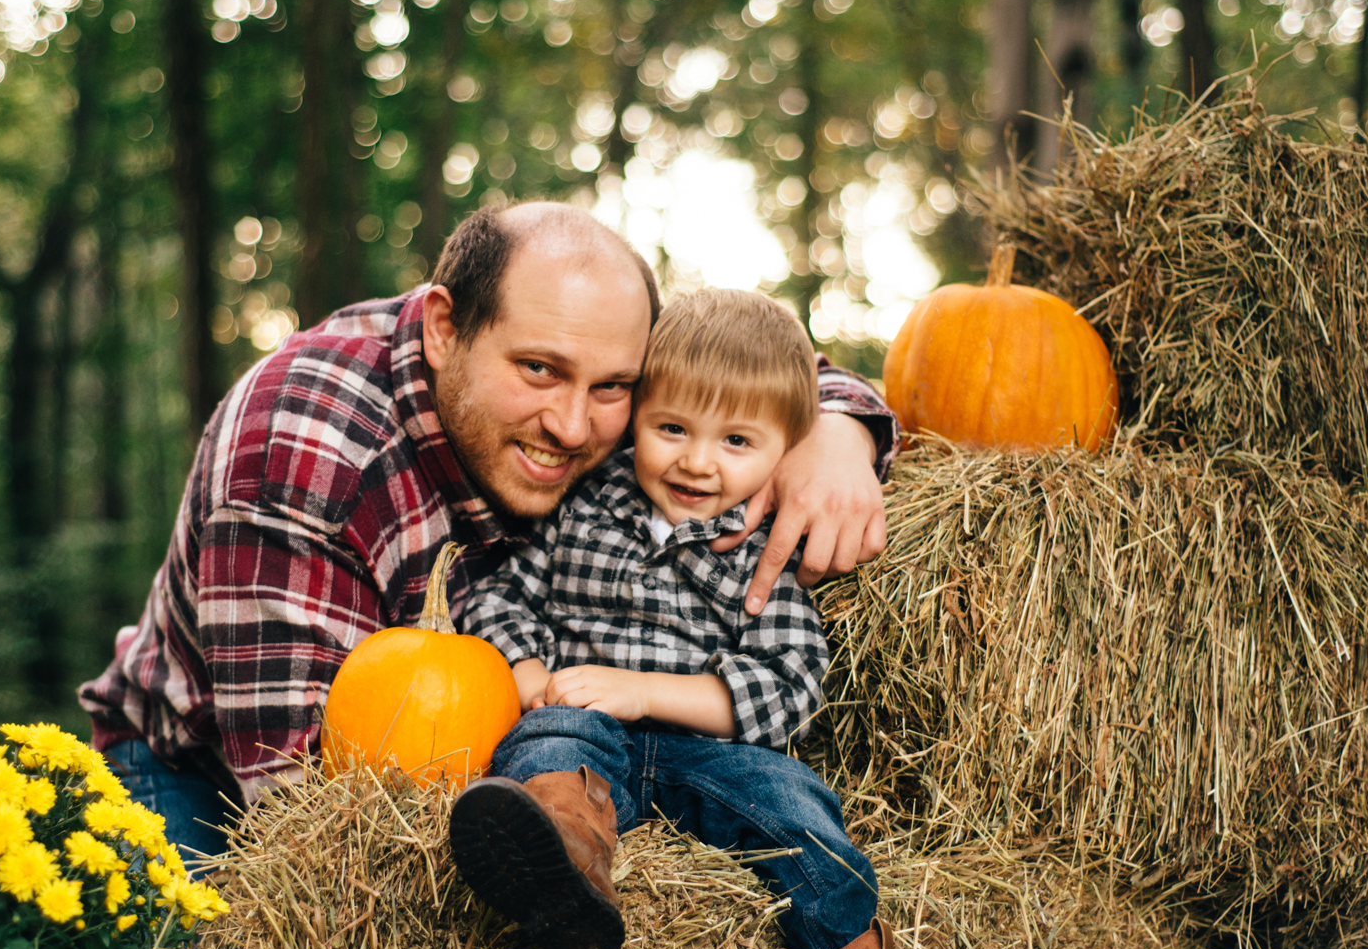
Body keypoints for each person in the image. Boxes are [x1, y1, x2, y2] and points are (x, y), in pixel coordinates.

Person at [79, 202, 899, 858]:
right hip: (203, 779)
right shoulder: (303, 462)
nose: (575, 426)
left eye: (614, 386)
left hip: (524, 733)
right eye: (538, 370)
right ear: (444, 328)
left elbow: (745, 375)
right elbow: (303, 815)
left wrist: (839, 431)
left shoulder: (606, 359)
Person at [449, 288, 921, 949]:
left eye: (737, 441)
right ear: (637, 418)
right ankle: (567, 861)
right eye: (672, 429)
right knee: (549, 742)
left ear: (787, 450)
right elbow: (502, 592)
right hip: (590, 725)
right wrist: (522, 664)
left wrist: (644, 690)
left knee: (795, 808)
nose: (699, 462)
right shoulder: (585, 510)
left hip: (713, 752)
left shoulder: (762, 546)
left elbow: (789, 682)